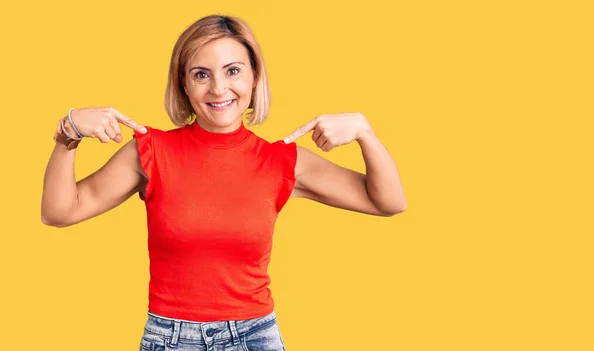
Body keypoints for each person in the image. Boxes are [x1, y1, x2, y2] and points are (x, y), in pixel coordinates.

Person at [41, 14, 406, 351]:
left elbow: (387, 202)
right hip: (170, 338)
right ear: (183, 84)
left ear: (254, 76)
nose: (218, 88)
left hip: (254, 337)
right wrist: (68, 133)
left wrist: (364, 132)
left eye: (233, 71)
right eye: (201, 74)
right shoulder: (150, 152)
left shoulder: (281, 161)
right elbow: (59, 211)